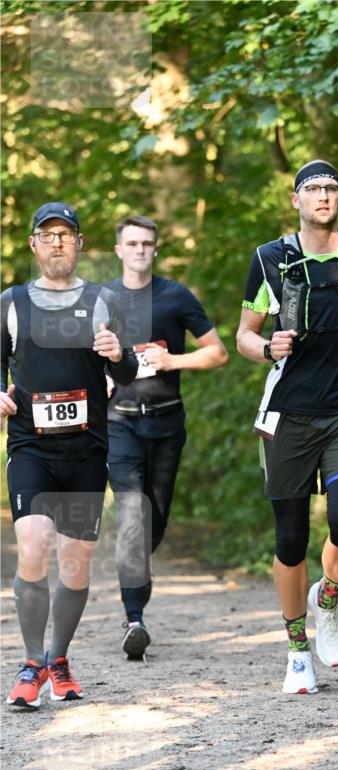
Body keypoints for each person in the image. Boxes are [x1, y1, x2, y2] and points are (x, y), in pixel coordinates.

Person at [236, 160, 338, 694]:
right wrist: (265, 346)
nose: (323, 196)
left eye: (330, 188)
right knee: (290, 540)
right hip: (286, 414)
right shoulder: (270, 259)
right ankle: (296, 649)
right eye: (313, 189)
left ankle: (327, 599)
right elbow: (244, 333)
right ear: (296, 200)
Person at [1, 202, 138, 709]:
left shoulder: (104, 302)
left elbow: (127, 374)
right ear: (33, 245)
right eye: (47, 234)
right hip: (31, 447)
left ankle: (59, 659)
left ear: (79, 244)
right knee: (34, 548)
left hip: (86, 450)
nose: (57, 242)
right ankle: (32, 662)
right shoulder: (11, 303)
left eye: (66, 234)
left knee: (75, 566)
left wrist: (119, 355)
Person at [106, 215, 228, 658]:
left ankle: (139, 567)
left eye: (147, 244)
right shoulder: (101, 300)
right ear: (118, 250)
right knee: (133, 516)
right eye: (132, 243)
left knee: (152, 523)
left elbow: (218, 353)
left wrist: (172, 360)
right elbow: (81, 355)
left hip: (166, 423)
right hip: (118, 422)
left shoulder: (175, 296)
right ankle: (134, 618)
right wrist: (98, 375)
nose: (140, 250)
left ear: (156, 250)